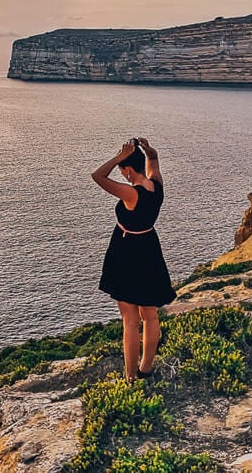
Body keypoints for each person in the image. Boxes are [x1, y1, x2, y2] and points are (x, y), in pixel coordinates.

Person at [92, 137, 177, 380]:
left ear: (128, 170)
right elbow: (153, 162)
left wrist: (119, 156)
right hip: (149, 249)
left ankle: (130, 377)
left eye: (123, 171)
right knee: (149, 315)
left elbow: (98, 176)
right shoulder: (156, 186)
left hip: (128, 253)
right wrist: (150, 152)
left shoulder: (131, 194)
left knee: (130, 319)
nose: (122, 175)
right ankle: (146, 368)